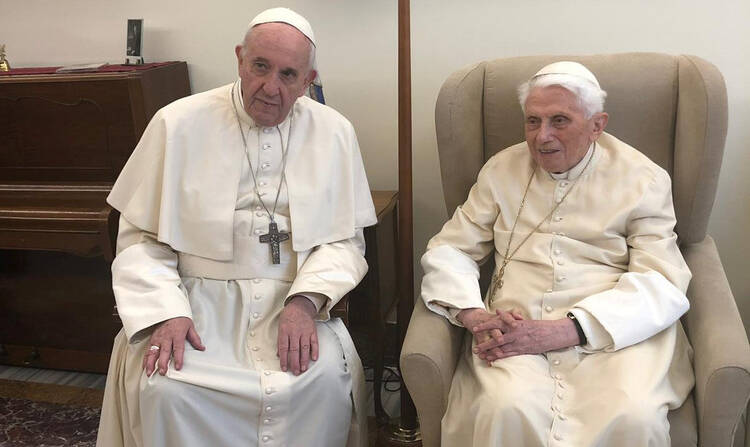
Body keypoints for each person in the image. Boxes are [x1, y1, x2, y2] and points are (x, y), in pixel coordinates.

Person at [96, 8, 375, 447]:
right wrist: (167, 311)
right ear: (240, 58)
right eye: (260, 67)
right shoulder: (177, 122)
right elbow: (139, 241)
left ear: (308, 80)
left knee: (319, 383)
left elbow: (344, 242)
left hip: (295, 298)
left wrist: (305, 302)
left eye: (288, 75)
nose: (270, 88)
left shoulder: (335, 132)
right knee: (167, 389)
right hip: (195, 302)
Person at [420, 61, 694, 446]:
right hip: (515, 328)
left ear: (597, 125)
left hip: (614, 334)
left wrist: (569, 329)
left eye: (559, 120)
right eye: (533, 121)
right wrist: (474, 314)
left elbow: (662, 280)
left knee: (634, 415)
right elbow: (451, 247)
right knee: (504, 407)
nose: (541, 137)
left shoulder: (642, 178)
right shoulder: (501, 170)